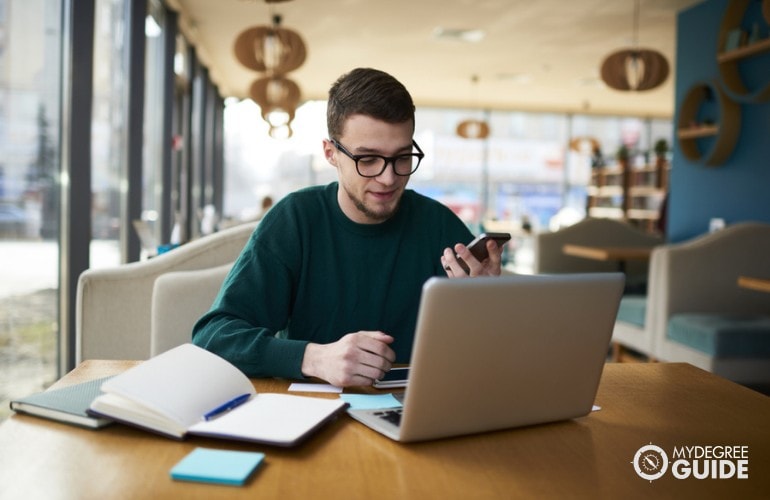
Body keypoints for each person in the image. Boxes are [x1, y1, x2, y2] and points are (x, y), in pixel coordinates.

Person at [192, 68, 503, 387]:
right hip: (314, 410)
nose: (388, 178)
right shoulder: (296, 220)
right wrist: (313, 358)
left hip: (418, 407)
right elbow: (212, 338)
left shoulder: (439, 225)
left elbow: (490, 351)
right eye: (367, 159)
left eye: (402, 157)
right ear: (331, 154)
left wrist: (491, 305)